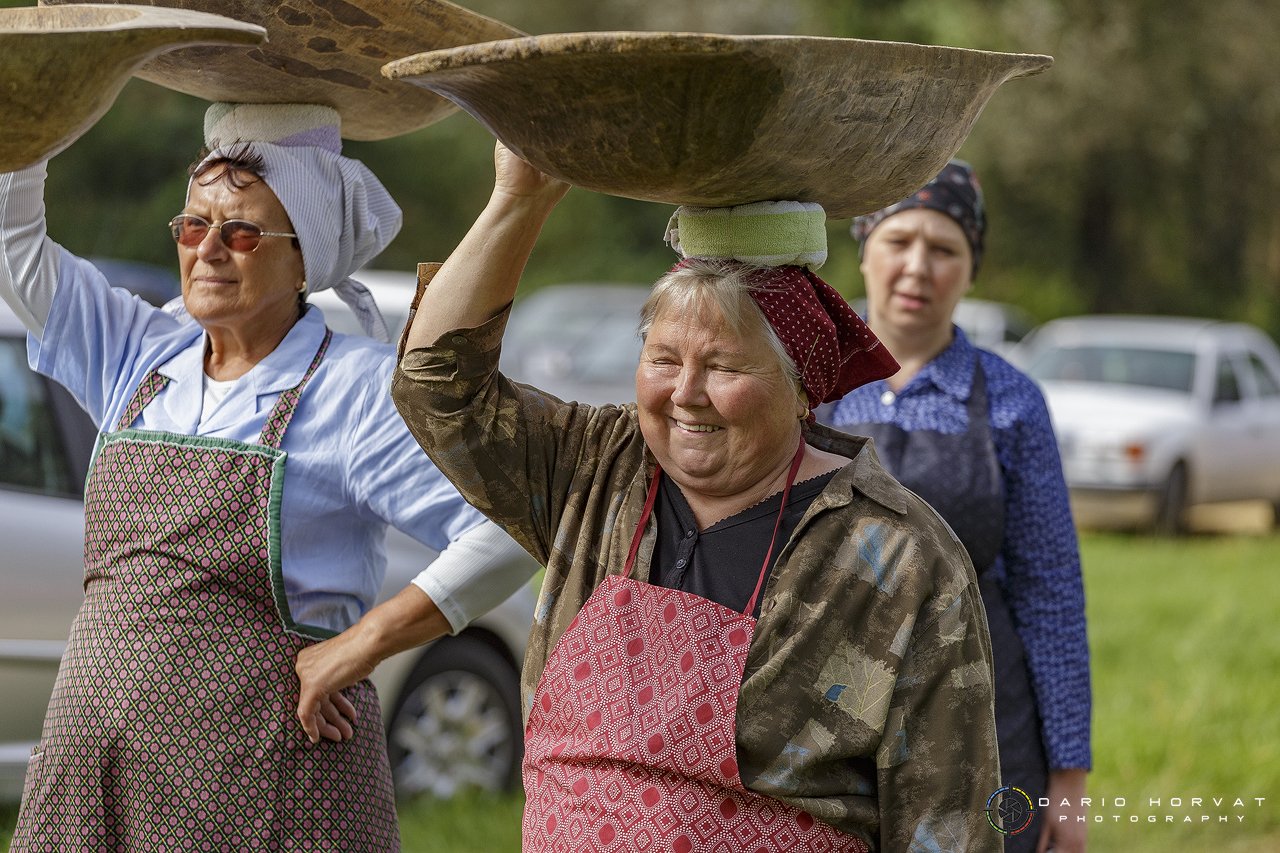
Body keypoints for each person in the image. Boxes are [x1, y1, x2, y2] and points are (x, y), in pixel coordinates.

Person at [386, 143, 1004, 852]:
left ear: (803, 388)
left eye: (723, 366)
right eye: (664, 359)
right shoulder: (596, 468)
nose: (684, 395)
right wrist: (519, 200)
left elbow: (947, 824)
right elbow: (436, 387)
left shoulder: (898, 557)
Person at [0, 103, 535, 849]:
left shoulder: (353, 391)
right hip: (100, 782)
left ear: (302, 259)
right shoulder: (140, 354)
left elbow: (510, 524)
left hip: (267, 791)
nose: (208, 251)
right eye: (193, 226)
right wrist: (34, 110)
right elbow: (14, 244)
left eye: (241, 232)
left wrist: (361, 646)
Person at [826, 161, 1091, 853]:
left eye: (944, 249)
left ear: (972, 270)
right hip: (829, 703)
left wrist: (1070, 777)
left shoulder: (1012, 401)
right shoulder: (812, 383)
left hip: (986, 717)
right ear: (863, 251)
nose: (918, 266)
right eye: (899, 240)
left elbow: (1051, 591)